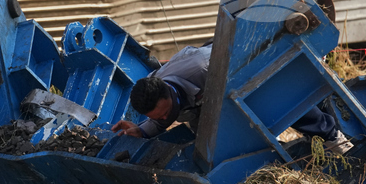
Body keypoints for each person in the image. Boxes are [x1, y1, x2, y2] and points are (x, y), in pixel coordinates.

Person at [112, 44, 351, 151]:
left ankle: (332, 137)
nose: (165, 119)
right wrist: (142, 131)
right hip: (202, 103)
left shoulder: (207, 67)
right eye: (159, 118)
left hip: (237, 65)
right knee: (211, 145)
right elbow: (159, 118)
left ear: (170, 92)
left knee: (273, 100)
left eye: (166, 113)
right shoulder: (157, 90)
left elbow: (258, 72)